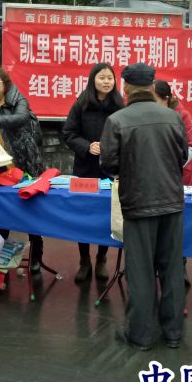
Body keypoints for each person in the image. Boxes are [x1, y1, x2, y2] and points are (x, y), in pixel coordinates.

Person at [100, 63, 188, 350]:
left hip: (138, 203)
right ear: (152, 86)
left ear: (125, 88)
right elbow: (182, 156)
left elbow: (109, 163)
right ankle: (173, 333)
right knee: (172, 269)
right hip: (171, 202)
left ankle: (140, 335)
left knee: (140, 271)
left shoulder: (117, 120)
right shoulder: (173, 117)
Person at [0, 67, 45, 272]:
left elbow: (20, 118)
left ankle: (36, 255)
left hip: (23, 161)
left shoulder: (18, 99)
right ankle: (0, 259)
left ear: (4, 83)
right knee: (0, 210)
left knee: (31, 210)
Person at [62, 63, 124, 283]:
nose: (107, 82)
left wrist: (111, 148)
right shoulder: (81, 104)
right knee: (83, 213)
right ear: (93, 80)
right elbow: (69, 133)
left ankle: (101, 259)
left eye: (110, 78)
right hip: (85, 168)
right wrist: (87, 146)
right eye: (102, 78)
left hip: (110, 169)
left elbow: (126, 135)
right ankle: (84, 260)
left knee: (106, 214)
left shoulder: (119, 105)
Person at [152, 80, 192, 289]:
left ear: (166, 99)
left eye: (153, 99)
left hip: (179, 178)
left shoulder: (182, 115)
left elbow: (190, 148)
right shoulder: (148, 114)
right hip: (154, 179)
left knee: (179, 226)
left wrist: (167, 165)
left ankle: (181, 265)